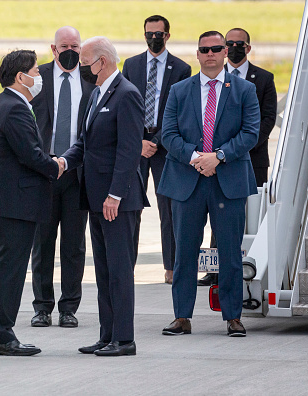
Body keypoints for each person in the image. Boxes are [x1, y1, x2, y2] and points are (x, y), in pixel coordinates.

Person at [158, 31, 260, 337]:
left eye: (216, 48)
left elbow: (251, 132)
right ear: (198, 54)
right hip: (187, 181)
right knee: (184, 252)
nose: (210, 53)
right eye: (205, 49)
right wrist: (195, 158)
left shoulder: (244, 89)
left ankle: (233, 316)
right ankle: (182, 316)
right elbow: (168, 133)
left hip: (227, 180)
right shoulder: (179, 90)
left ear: (226, 51)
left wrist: (218, 157)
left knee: (229, 252)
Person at [58, 37, 148, 357]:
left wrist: (114, 195)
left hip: (116, 201)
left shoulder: (127, 95)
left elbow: (128, 152)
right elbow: (85, 143)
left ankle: (124, 339)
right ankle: (107, 334)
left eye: (85, 61)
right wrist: (65, 161)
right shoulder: (95, 94)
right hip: (95, 198)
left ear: (103, 61)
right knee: (104, 270)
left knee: (120, 270)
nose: (81, 66)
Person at [0, 49, 62, 356]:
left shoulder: (9, 103)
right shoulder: (14, 107)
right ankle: (1, 335)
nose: (39, 77)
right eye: (36, 72)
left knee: (4, 268)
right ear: (21, 77)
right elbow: (30, 155)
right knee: (9, 270)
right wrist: (57, 165)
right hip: (15, 203)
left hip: (9, 201)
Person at [197, 27, 278, 287]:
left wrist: (239, 149)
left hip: (250, 161)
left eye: (239, 43)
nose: (233, 47)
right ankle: (214, 270)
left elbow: (266, 120)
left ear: (248, 47)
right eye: (229, 43)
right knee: (215, 216)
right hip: (211, 161)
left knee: (245, 217)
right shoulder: (206, 81)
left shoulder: (263, 78)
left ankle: (248, 266)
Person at [29, 26, 94, 329]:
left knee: (74, 245)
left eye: (76, 46)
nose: (71, 51)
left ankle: (69, 307)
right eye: (64, 45)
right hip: (44, 171)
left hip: (77, 172)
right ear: (53, 49)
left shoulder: (91, 79)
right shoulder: (37, 78)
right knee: (42, 243)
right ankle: (42, 307)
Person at [122, 15, 192, 284]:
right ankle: (126, 266)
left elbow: (181, 112)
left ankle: (171, 267)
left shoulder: (181, 69)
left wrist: (158, 141)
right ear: (144, 35)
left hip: (165, 146)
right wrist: (137, 141)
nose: (154, 38)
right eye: (149, 33)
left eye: (159, 34)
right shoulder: (131, 65)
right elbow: (125, 107)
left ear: (167, 36)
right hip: (135, 146)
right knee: (131, 208)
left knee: (169, 209)